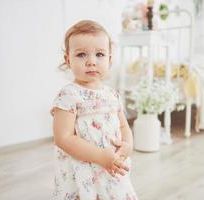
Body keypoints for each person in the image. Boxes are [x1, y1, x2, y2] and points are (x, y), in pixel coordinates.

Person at [51, 20, 138, 200]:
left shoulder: (112, 94)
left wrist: (127, 146)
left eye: (99, 54)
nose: (91, 62)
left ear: (109, 59)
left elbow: (123, 127)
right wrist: (100, 156)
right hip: (83, 168)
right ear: (68, 60)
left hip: (111, 165)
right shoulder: (69, 94)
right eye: (81, 55)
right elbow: (63, 138)